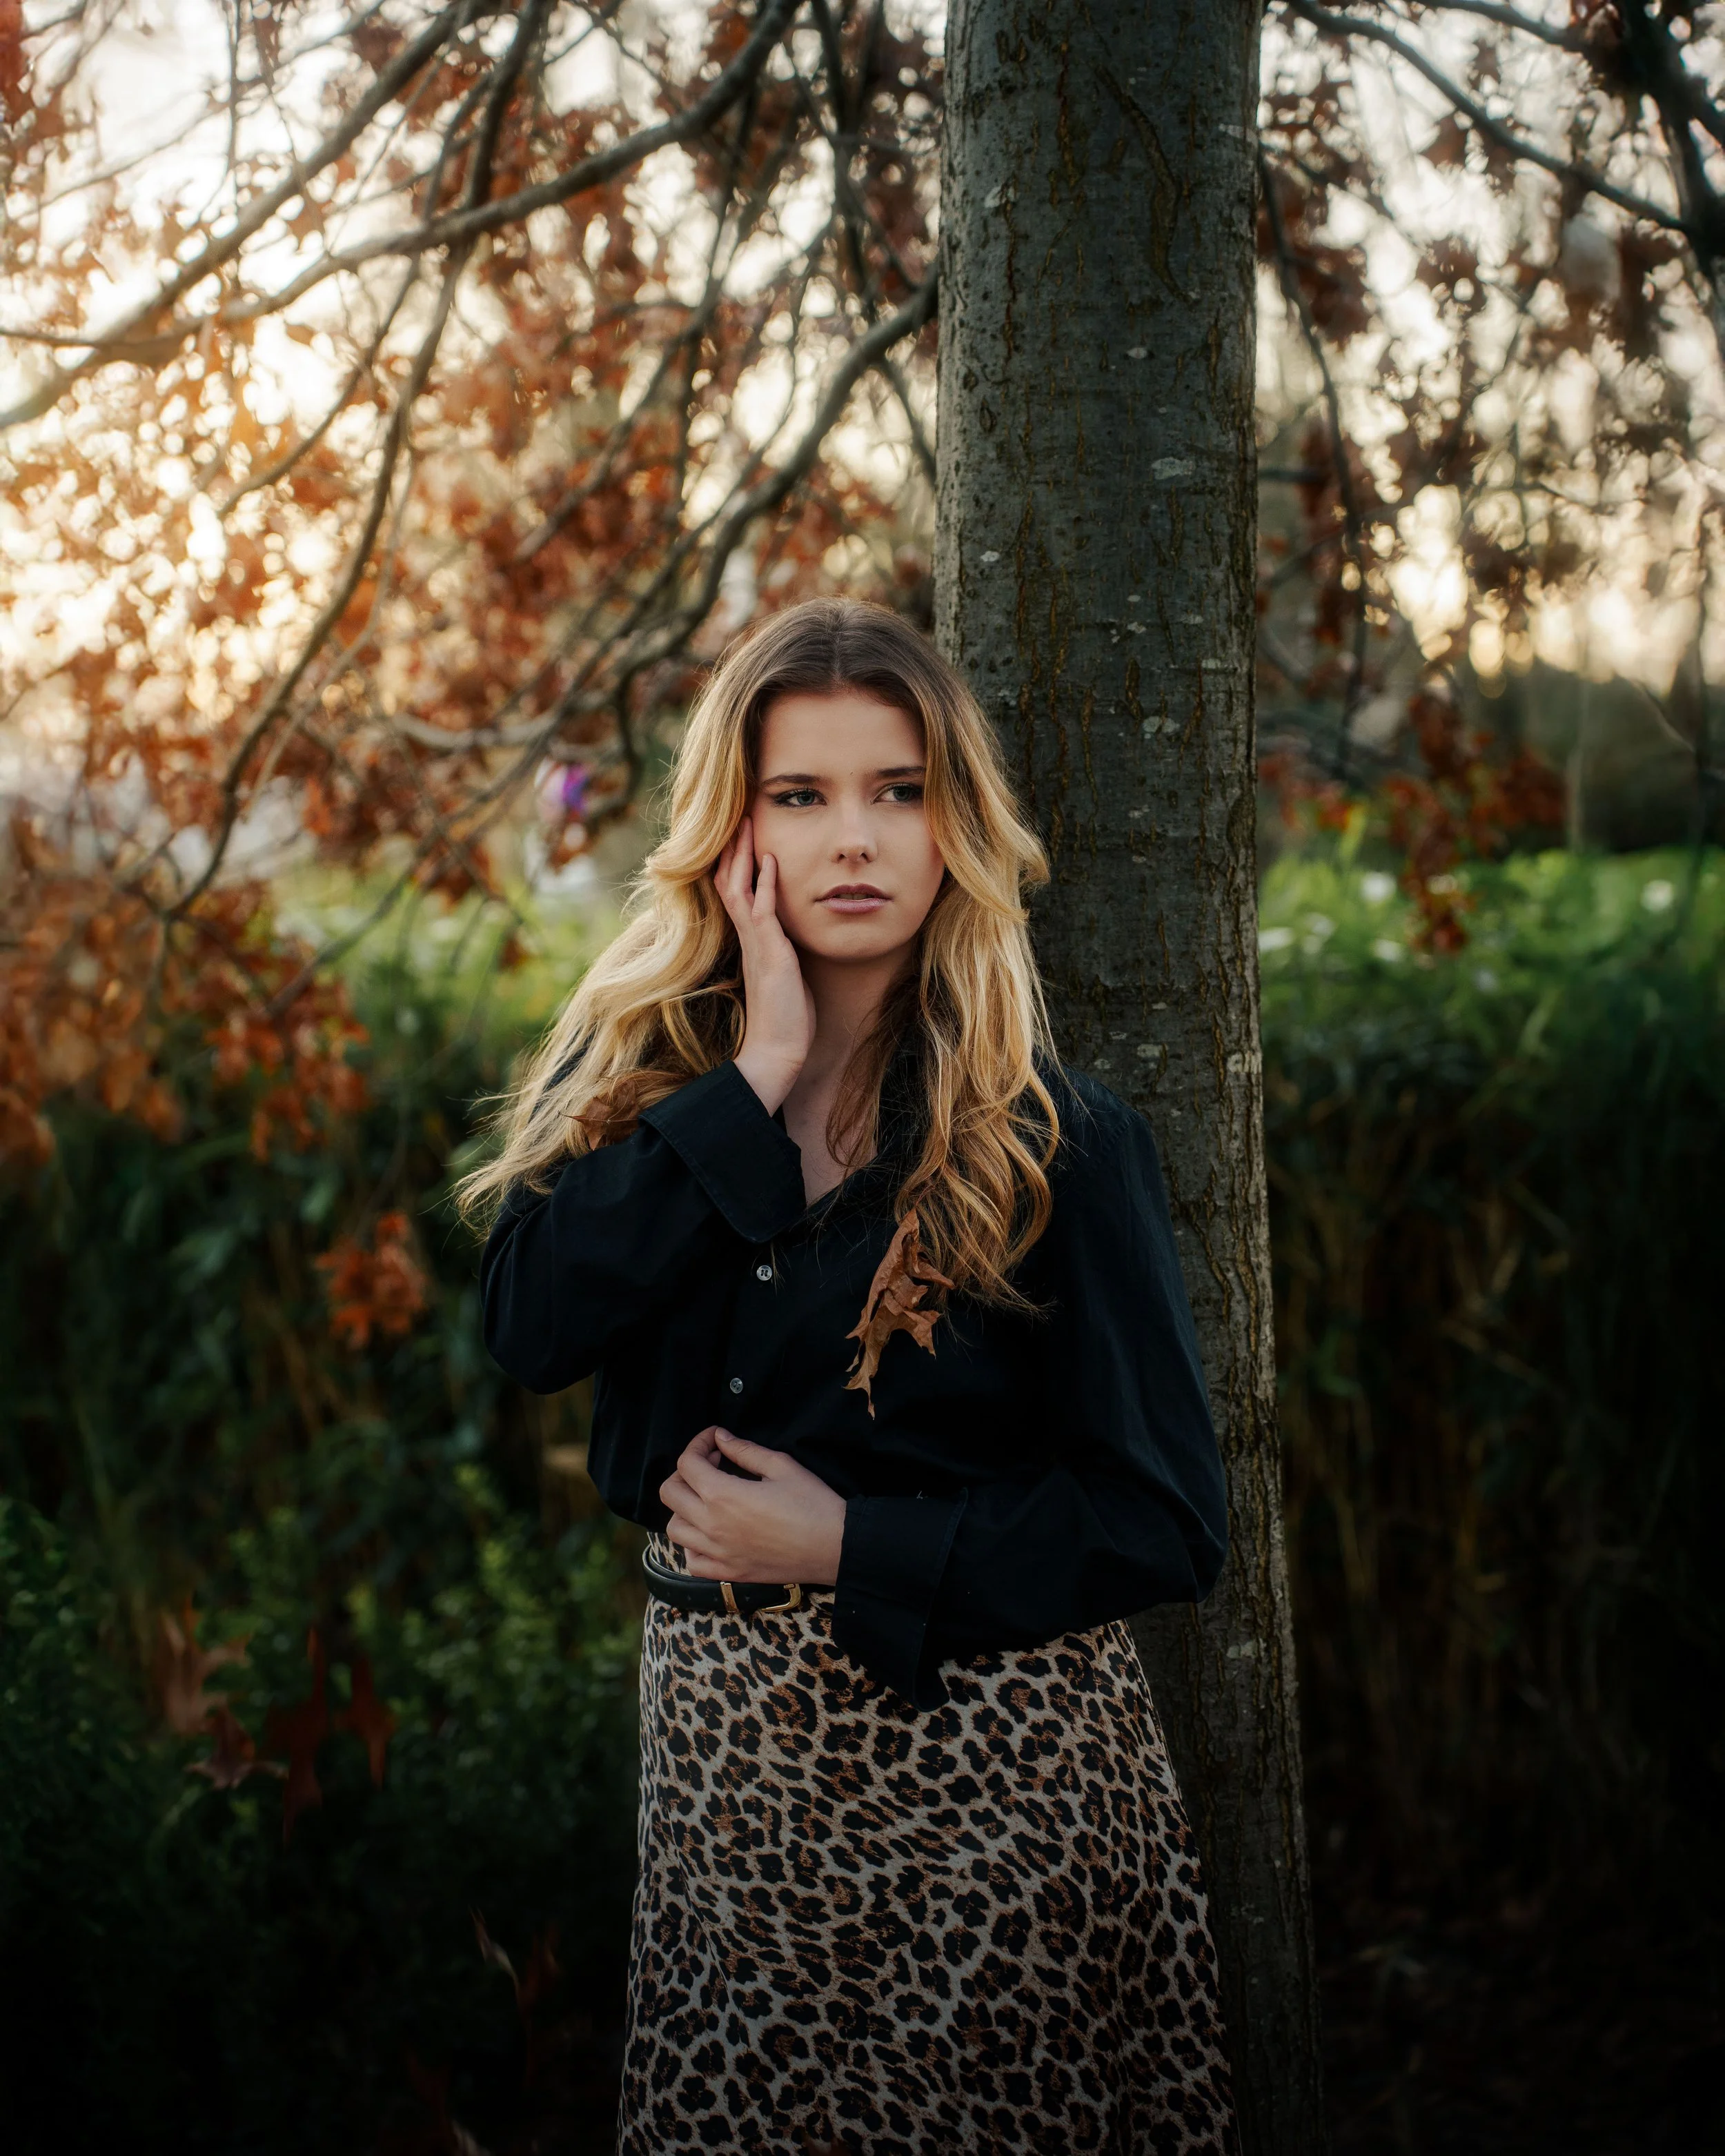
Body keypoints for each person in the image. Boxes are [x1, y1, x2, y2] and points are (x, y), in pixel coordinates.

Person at [462, 597, 1237, 2156]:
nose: (854, 838)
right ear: (733, 830)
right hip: (731, 1775)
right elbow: (531, 1329)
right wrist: (752, 1075)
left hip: (1000, 1773)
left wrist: (844, 1545)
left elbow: (1160, 1516)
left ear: (955, 820)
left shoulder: (1054, 1141)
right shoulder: (637, 1094)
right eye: (800, 795)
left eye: (896, 789)